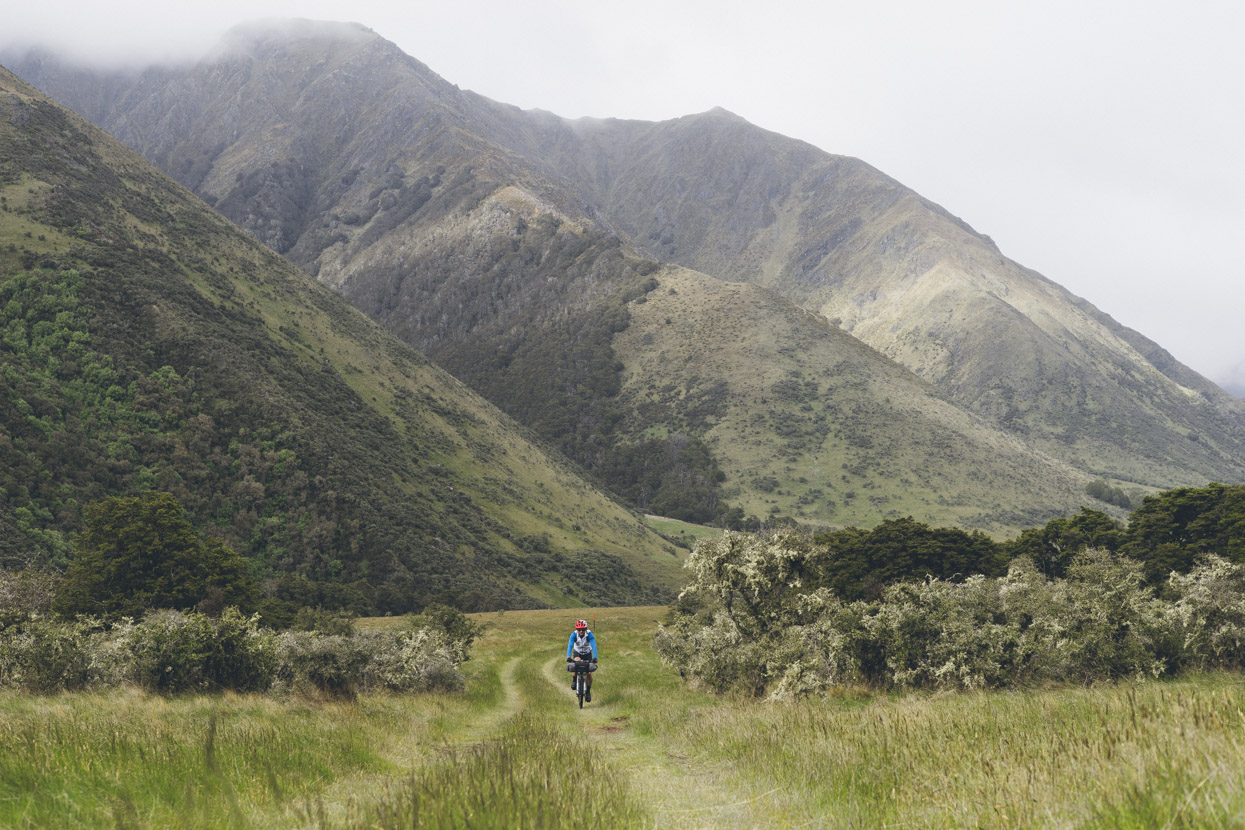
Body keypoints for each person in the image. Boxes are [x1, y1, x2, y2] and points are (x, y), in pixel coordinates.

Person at [566, 618, 597, 701]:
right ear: (577, 629)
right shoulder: (573, 635)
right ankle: (574, 680)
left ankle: (588, 692)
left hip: (587, 653)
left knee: (589, 673)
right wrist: (568, 657)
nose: (581, 631)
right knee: (575, 663)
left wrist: (595, 657)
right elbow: (570, 646)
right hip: (578, 652)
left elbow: (594, 645)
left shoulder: (589, 634)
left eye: (583, 629)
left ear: (585, 629)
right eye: (579, 629)